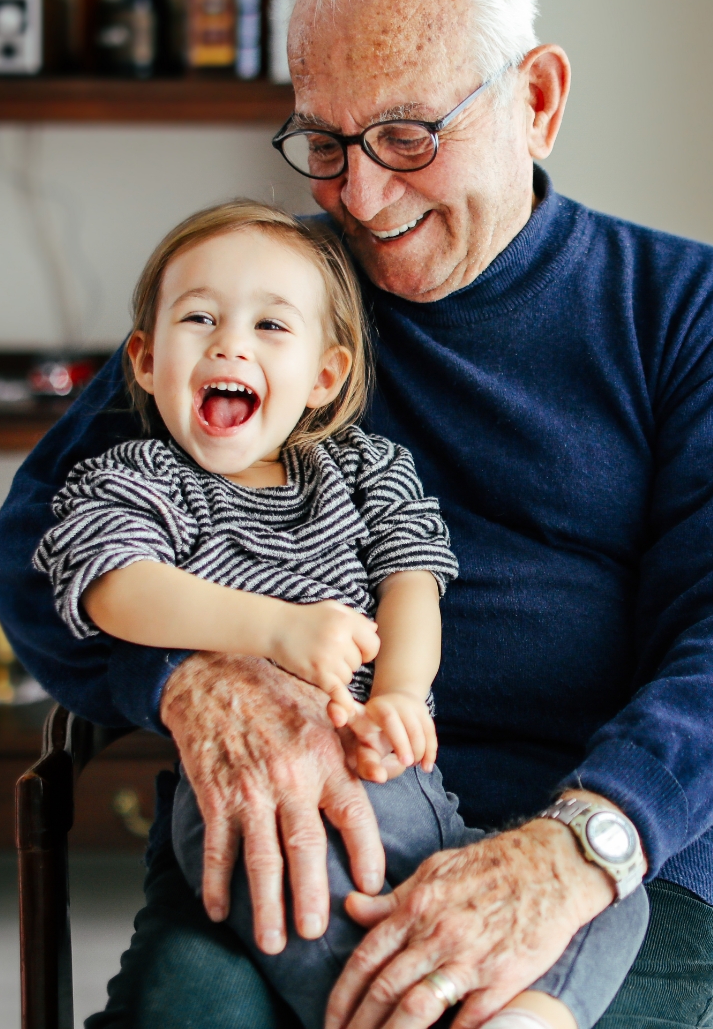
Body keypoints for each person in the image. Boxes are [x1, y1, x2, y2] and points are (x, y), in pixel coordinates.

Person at [0, 0, 713, 1029]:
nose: (361, 200)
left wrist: (570, 854)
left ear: (537, 101)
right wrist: (189, 677)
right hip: (303, 827)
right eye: (324, 142)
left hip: (604, 850)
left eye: (408, 137)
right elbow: (39, 547)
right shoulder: (270, 306)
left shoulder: (692, 314)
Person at [33, 199, 649, 1029]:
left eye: (270, 326)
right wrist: (274, 630)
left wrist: (398, 692)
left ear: (325, 375)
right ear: (144, 359)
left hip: (410, 792)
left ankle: (528, 1016)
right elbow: (115, 586)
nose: (230, 343)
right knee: (299, 900)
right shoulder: (139, 479)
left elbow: (414, 583)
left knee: (612, 895)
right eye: (200, 317)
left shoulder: (364, 471)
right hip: (257, 798)